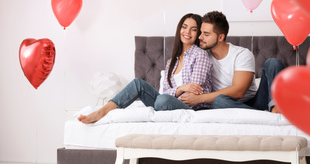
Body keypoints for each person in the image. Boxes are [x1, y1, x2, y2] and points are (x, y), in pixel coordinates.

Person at [78, 13, 212, 124]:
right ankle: (102, 111)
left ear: (199, 33)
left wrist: (176, 92)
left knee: (162, 100)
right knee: (138, 84)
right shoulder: (172, 61)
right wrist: (181, 88)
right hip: (165, 103)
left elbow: (194, 92)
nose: (187, 32)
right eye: (184, 27)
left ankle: (160, 105)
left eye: (193, 29)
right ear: (179, 29)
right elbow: (166, 90)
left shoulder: (200, 55)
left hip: (189, 108)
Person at [179, 11, 283, 113]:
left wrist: (200, 98)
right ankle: (264, 116)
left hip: (255, 102)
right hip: (227, 104)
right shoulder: (202, 57)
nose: (200, 37)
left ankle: (275, 109)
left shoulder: (241, 54)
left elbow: (239, 91)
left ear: (220, 37)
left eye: (206, 34)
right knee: (219, 101)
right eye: (201, 32)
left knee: (273, 63)